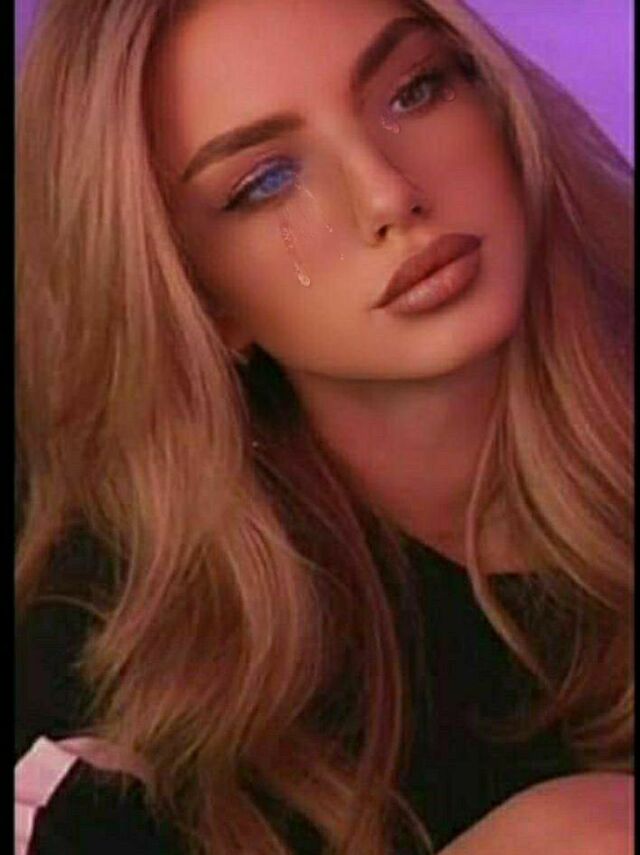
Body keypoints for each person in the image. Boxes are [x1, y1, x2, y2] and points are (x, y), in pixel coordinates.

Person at [15, 0, 633, 853]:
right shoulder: (104, 649)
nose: (389, 194)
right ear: (193, 295)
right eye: (266, 182)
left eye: (414, 91)